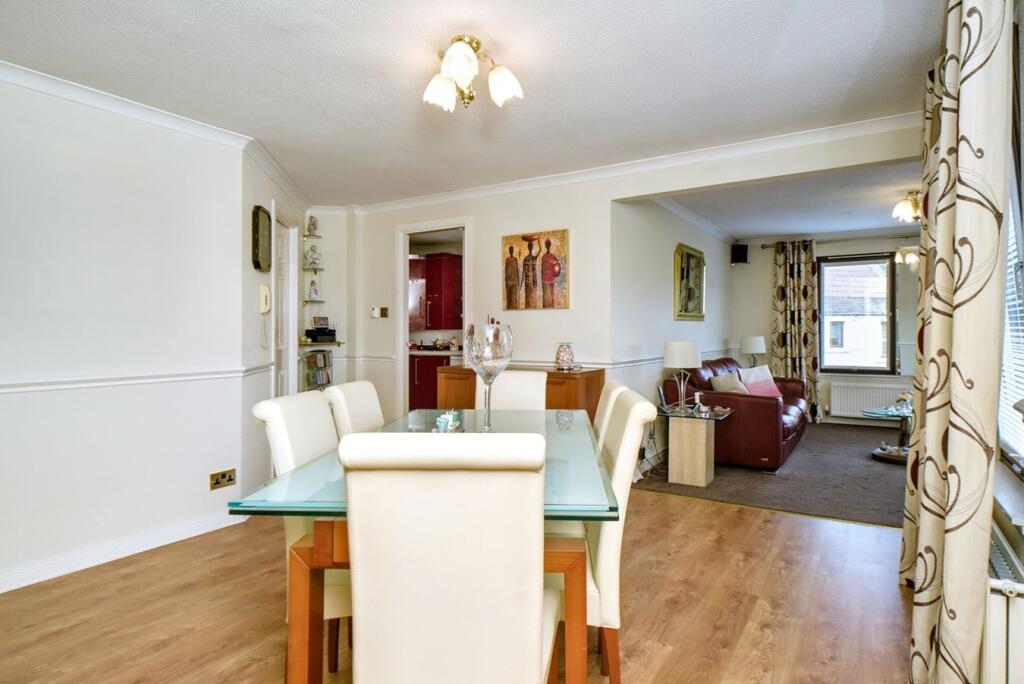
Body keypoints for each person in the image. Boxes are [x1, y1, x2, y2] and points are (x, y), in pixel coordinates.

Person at [540, 238, 561, 308]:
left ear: (550, 245)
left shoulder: (552, 255)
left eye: (548, 244)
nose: (548, 245)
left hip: (551, 279)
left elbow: (557, 263)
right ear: (545, 245)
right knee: (546, 297)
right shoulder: (544, 256)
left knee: (551, 296)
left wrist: (555, 270)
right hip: (545, 280)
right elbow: (542, 269)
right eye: (547, 244)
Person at [522, 239, 538, 308]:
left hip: (533, 281)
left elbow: (540, 250)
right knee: (528, 299)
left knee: (533, 298)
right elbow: (523, 271)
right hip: (527, 282)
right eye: (530, 246)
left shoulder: (534, 258)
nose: (531, 247)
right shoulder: (526, 258)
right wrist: (521, 281)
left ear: (532, 247)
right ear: (528, 247)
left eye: (531, 246)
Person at [504, 245, 520, 309]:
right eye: (510, 250)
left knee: (514, 297)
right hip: (509, 282)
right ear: (509, 251)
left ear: (513, 251)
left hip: (514, 281)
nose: (511, 251)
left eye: (512, 250)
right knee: (509, 298)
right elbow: (505, 271)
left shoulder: (515, 259)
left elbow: (517, 270)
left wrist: (518, 280)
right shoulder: (507, 260)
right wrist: (506, 282)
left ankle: (514, 307)